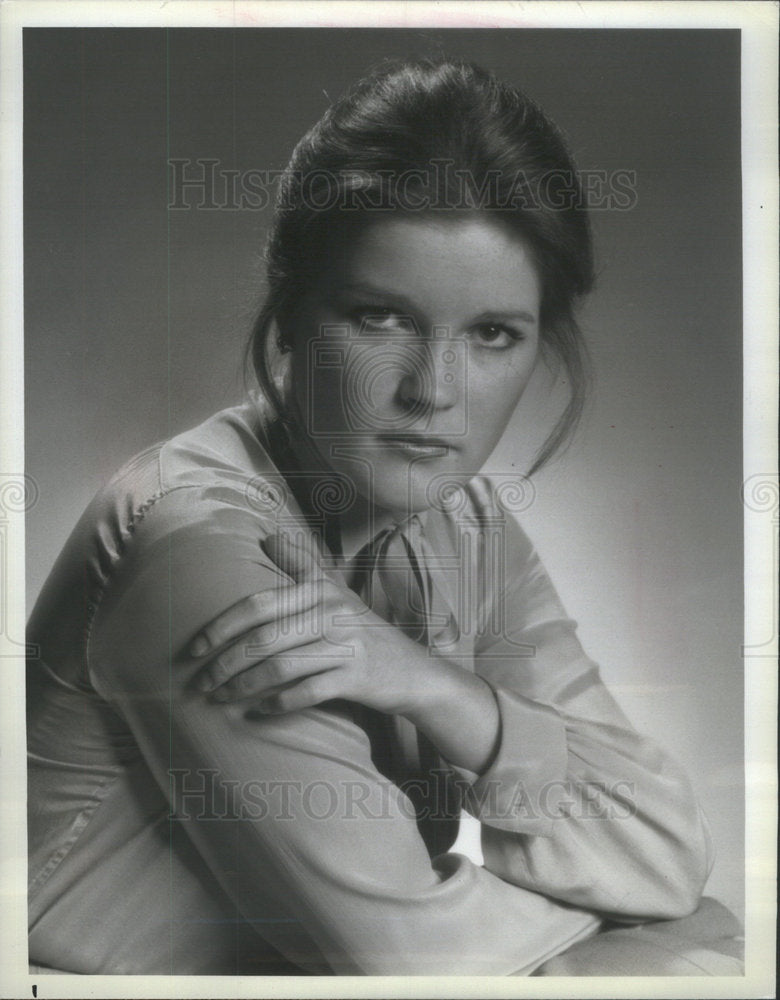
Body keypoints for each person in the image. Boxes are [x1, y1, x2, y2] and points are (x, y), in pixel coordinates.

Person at [26, 58, 743, 976]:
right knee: (714, 950)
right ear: (288, 318)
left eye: (493, 334)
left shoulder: (470, 528)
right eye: (379, 317)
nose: (432, 392)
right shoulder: (194, 541)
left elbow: (665, 853)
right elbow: (414, 958)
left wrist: (443, 691)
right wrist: (680, 940)